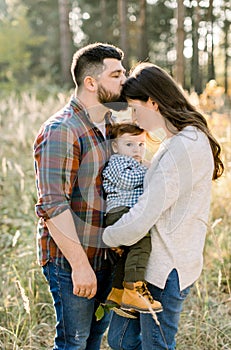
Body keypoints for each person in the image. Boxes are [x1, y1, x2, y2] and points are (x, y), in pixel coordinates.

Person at [103, 62, 224, 350]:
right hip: (153, 263)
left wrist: (104, 238)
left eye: (135, 108)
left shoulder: (184, 145)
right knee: (120, 339)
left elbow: (145, 213)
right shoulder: (180, 140)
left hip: (166, 267)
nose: (133, 118)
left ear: (153, 103)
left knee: (155, 346)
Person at [33, 42, 126, 350]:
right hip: (70, 261)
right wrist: (80, 267)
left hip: (104, 257)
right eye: (116, 75)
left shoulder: (110, 125)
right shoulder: (62, 130)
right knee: (73, 343)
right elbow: (53, 205)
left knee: (93, 341)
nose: (125, 81)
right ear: (91, 82)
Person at [102, 123, 163, 317]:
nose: (137, 150)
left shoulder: (135, 162)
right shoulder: (117, 161)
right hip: (119, 212)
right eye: (129, 144)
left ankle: (117, 293)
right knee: (142, 242)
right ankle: (134, 288)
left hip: (128, 212)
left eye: (141, 144)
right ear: (115, 146)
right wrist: (151, 170)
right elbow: (126, 181)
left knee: (128, 253)